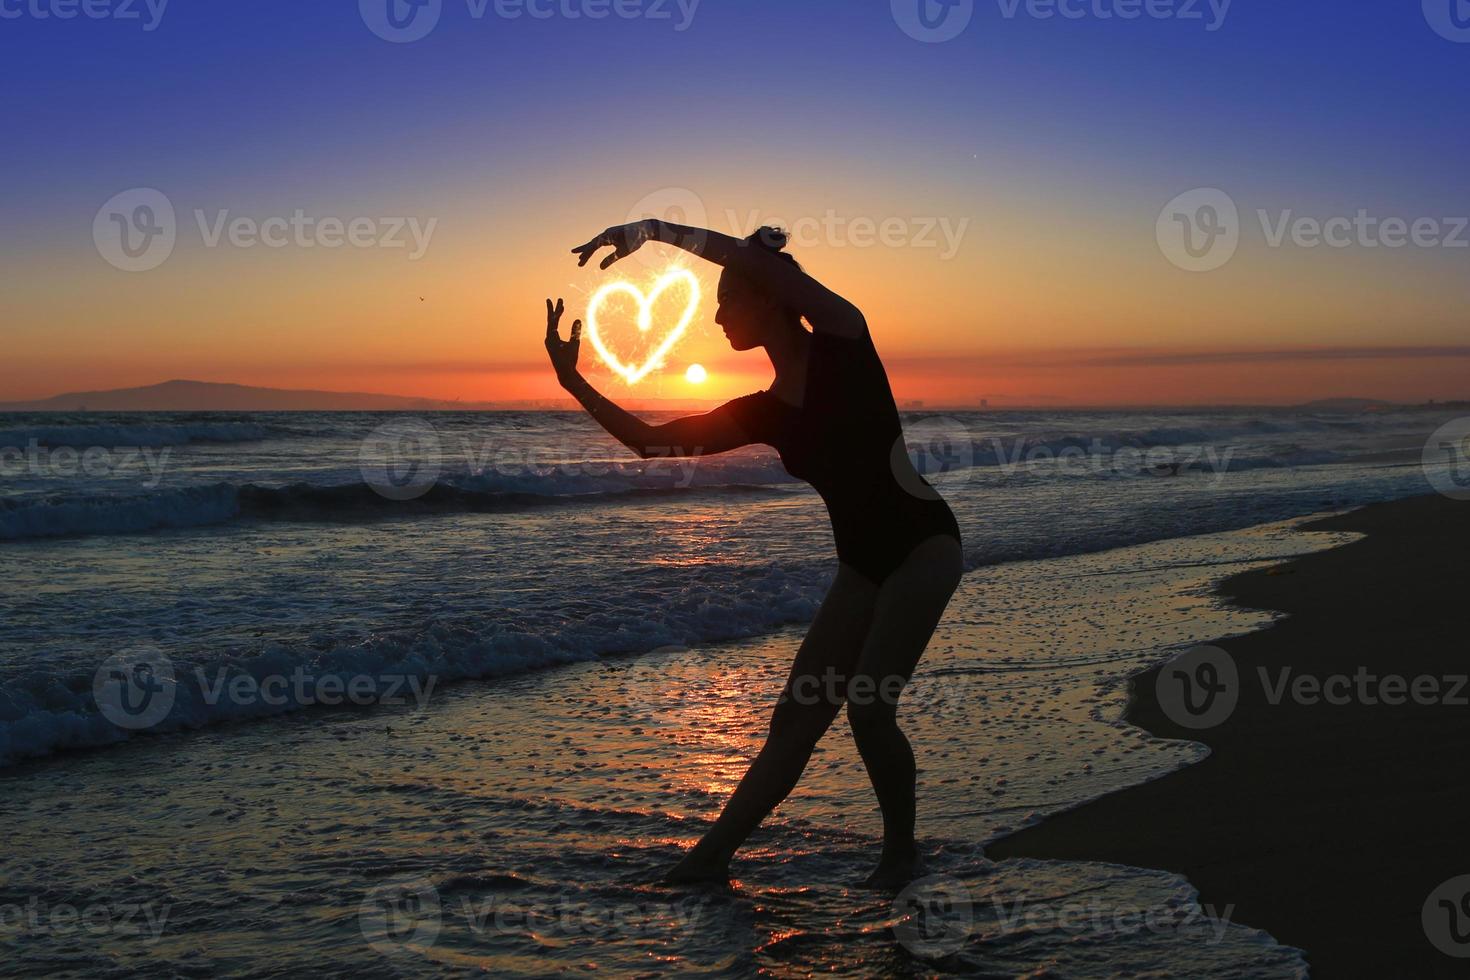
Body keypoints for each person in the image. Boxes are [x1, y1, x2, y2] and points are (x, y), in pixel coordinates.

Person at [544, 219, 963, 888]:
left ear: (768, 295)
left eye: (726, 300)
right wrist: (574, 384)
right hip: (862, 565)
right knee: (797, 718)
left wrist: (649, 230)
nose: (715, 316)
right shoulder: (763, 411)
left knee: (868, 704)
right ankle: (709, 860)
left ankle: (899, 855)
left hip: (924, 545)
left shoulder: (843, 338)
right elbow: (655, 445)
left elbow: (749, 256)